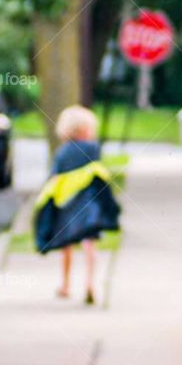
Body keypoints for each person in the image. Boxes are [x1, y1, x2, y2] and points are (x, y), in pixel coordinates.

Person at [33, 106, 120, 304]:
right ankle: (90, 283)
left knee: (67, 245)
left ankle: (65, 285)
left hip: (68, 205)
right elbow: (98, 172)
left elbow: (54, 178)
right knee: (90, 245)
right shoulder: (93, 148)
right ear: (86, 129)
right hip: (90, 206)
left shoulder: (62, 152)